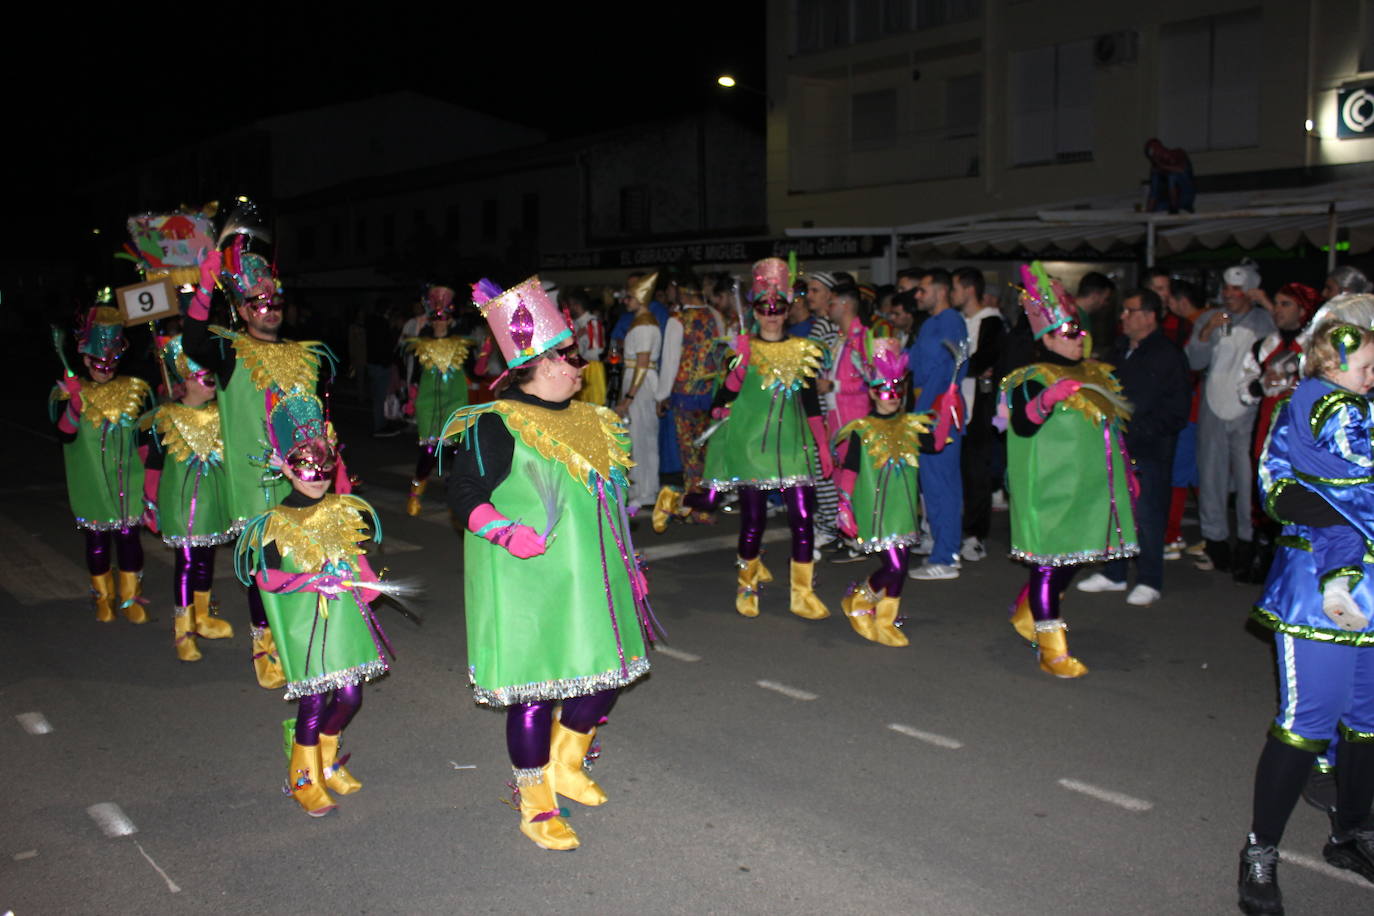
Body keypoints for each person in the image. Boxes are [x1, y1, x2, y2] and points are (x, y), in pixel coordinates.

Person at [444, 275, 654, 851]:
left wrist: (629, 563)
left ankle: (568, 760)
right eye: (571, 356)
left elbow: (611, 502)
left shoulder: (593, 422)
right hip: (530, 583)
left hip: (594, 579)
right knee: (536, 694)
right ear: (539, 363)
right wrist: (504, 531)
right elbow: (464, 494)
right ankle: (535, 802)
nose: (581, 366)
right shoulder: (496, 422)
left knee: (606, 678)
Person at [1235, 328, 1374, 912]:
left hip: (1371, 580)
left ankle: (1351, 832)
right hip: (1316, 585)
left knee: (1367, 719)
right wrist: (1352, 508)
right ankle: (1259, 851)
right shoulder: (1302, 410)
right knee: (1308, 720)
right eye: (1366, 363)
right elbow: (1279, 491)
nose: (1373, 373)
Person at [183, 242, 335, 689]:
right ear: (243, 311)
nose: (269, 310)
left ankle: (301, 642)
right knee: (263, 570)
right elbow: (194, 341)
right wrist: (205, 286)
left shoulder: (307, 355)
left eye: (275, 303)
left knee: (306, 562)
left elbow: (319, 415)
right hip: (255, 482)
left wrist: (335, 461)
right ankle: (264, 651)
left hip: (306, 479)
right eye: (259, 303)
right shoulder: (229, 352)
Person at [652, 257, 832, 621]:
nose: (772, 314)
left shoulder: (803, 351)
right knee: (754, 521)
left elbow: (811, 404)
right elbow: (723, 398)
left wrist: (823, 446)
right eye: (764, 308)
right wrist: (736, 376)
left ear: (786, 309)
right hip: (752, 449)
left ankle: (802, 593)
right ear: (754, 310)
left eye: (778, 307)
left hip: (791, 450)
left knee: (802, 518)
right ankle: (747, 586)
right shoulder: (741, 351)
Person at [236, 393, 388, 818]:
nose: (317, 477)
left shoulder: (342, 509)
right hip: (305, 628)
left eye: (324, 467)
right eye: (305, 467)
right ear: (285, 466)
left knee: (352, 697)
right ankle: (302, 779)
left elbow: (357, 560)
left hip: (343, 622)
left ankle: (326, 757)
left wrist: (371, 587)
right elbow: (264, 578)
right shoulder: (271, 523)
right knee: (315, 701)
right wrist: (309, 580)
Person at [1003, 263, 1137, 678]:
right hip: (1050, 490)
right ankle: (1052, 648)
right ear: (1047, 337)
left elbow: (1114, 430)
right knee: (1049, 563)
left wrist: (1128, 471)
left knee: (1076, 559)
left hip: (1091, 488)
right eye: (1069, 332)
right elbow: (1022, 424)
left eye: (1079, 330)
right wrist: (1045, 401)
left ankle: (1026, 611)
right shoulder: (1029, 378)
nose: (1079, 339)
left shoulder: (1098, 375)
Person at [1076, 289, 1190, 606]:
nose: (1123, 317)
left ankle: (1150, 579)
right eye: (1123, 311)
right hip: (1116, 444)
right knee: (1113, 509)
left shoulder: (1168, 354)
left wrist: (1141, 429)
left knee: (1148, 515)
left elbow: (1178, 409)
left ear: (1150, 316)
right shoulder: (1120, 349)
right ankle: (1114, 572)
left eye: (1130, 311)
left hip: (1150, 448)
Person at [51, 304, 153, 623]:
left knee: (129, 540)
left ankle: (130, 597)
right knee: (97, 542)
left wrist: (151, 488)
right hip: (91, 483)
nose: (104, 369)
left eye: (111, 363)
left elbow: (146, 442)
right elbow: (65, 434)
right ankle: (103, 597)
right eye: (98, 362)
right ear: (84, 358)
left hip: (130, 484)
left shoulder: (138, 390)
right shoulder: (66, 393)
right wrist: (76, 405)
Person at [140, 335, 237, 660]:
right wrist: (150, 502)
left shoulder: (221, 414)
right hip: (180, 503)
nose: (213, 385)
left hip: (213, 502)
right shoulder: (164, 417)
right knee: (186, 562)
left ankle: (203, 617)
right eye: (207, 379)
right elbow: (153, 462)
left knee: (207, 559)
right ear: (187, 380)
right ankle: (183, 632)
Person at [834, 339, 929, 646]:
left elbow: (936, 445)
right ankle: (861, 600)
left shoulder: (911, 425)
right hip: (877, 509)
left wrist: (947, 414)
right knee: (896, 566)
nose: (893, 397)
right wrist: (844, 505)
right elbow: (850, 469)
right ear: (873, 392)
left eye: (898, 390)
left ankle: (885, 618)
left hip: (903, 509)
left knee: (901, 567)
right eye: (886, 390)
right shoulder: (862, 429)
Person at [1185, 260, 1276, 573]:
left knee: (1248, 476)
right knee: (1211, 473)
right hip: (1213, 404)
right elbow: (1194, 361)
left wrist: (1266, 302)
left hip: (1248, 409)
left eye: (1237, 288)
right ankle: (1215, 539)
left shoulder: (1266, 320)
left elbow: (1290, 340)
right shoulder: (1210, 318)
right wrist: (1207, 332)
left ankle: (1249, 538)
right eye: (1226, 288)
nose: (1229, 294)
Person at [1234, 282, 1321, 582]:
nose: (1278, 310)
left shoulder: (1317, 347)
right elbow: (1244, 389)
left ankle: (1296, 564)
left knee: (1299, 495)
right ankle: (1262, 556)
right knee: (1264, 491)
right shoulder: (1265, 345)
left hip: (1304, 433)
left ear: (1302, 310)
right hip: (1267, 430)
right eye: (1278, 303)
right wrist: (1263, 384)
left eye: (1286, 304)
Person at [908, 268, 969, 580]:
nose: (917, 295)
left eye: (923, 289)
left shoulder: (951, 322)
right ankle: (943, 548)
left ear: (940, 291)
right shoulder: (931, 324)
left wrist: (922, 411)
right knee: (933, 484)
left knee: (941, 484)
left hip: (939, 410)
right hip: (927, 408)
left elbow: (947, 370)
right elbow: (914, 363)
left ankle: (946, 556)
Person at [402, 285, 471, 516]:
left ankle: (459, 500)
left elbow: (473, 372)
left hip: (454, 403)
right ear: (431, 320)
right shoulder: (420, 345)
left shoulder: (461, 344)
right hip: (429, 405)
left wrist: (483, 359)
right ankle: (415, 495)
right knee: (429, 452)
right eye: (436, 317)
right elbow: (413, 373)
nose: (440, 321)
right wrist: (410, 393)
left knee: (457, 454)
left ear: (451, 320)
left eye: (444, 317)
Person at [656, 276, 725, 499]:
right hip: (712, 393)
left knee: (689, 451)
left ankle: (697, 504)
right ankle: (709, 499)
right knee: (709, 449)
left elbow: (670, 360)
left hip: (685, 394)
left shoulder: (678, 319)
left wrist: (662, 395)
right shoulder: (716, 316)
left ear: (682, 292)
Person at [953, 266, 1003, 563]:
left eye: (956, 288)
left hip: (979, 409)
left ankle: (975, 536)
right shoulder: (958, 321)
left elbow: (983, 360)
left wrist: (959, 364)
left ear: (969, 290)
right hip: (956, 406)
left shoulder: (991, 322)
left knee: (976, 475)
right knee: (958, 473)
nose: (953, 295)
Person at [615, 273, 663, 513]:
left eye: (630, 296)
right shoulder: (641, 321)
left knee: (642, 436)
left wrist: (629, 397)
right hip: (636, 381)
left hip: (641, 385)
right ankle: (641, 488)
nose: (626, 300)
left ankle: (645, 491)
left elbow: (642, 364)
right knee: (638, 436)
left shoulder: (645, 324)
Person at [567, 289, 607, 406]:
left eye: (570, 305)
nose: (568, 309)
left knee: (592, 404)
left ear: (577, 305)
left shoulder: (592, 323)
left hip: (591, 368)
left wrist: (575, 341)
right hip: (580, 365)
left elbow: (596, 352)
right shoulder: (575, 323)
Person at [1144, 138, 1195, 214]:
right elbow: (1153, 193)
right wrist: (1147, 215)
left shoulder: (1178, 152)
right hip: (1169, 202)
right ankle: (1173, 209)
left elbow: (1181, 169)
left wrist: (1162, 166)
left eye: (1156, 148)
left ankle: (1175, 209)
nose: (1156, 152)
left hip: (1186, 195)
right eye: (1152, 151)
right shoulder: (1156, 169)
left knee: (1172, 176)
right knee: (1157, 208)